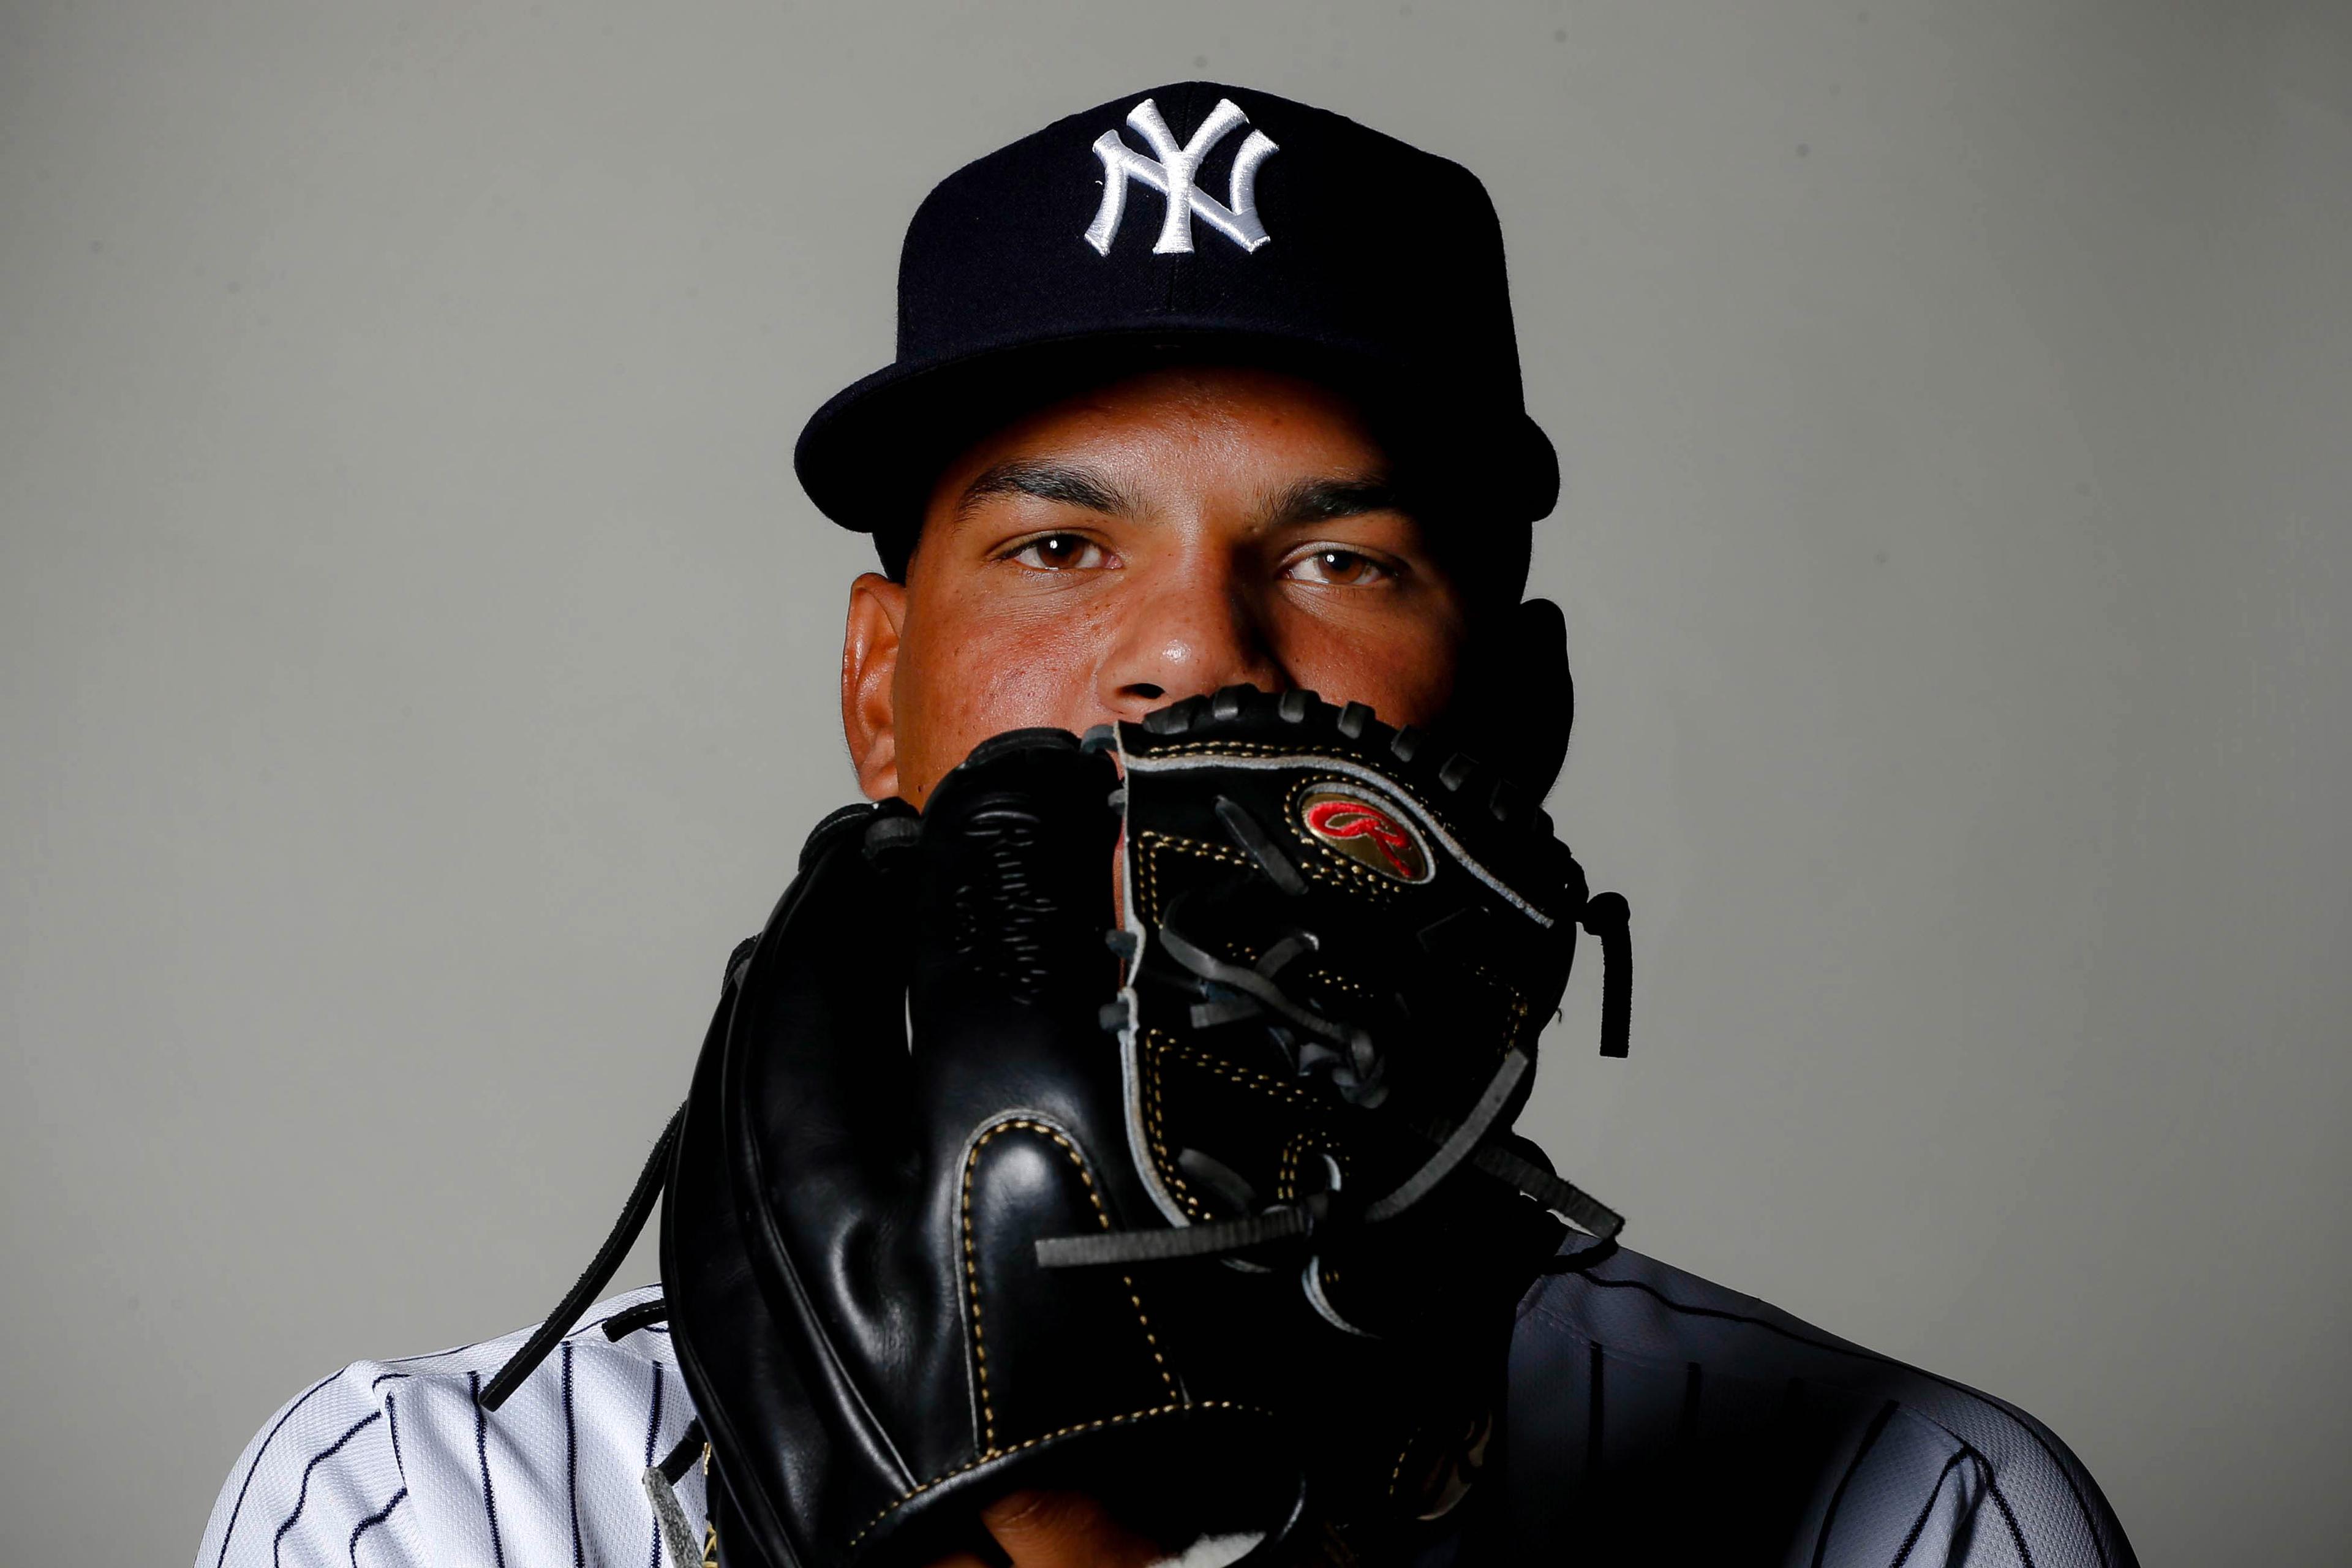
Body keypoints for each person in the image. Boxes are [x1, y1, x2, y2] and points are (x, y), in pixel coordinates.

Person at [195, 82, 2137, 1568]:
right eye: (1059, 547)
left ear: (1525, 716)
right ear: (880, 689)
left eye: (1345, 560)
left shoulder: (1915, 1514)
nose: (1191, 660)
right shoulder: (433, 1504)